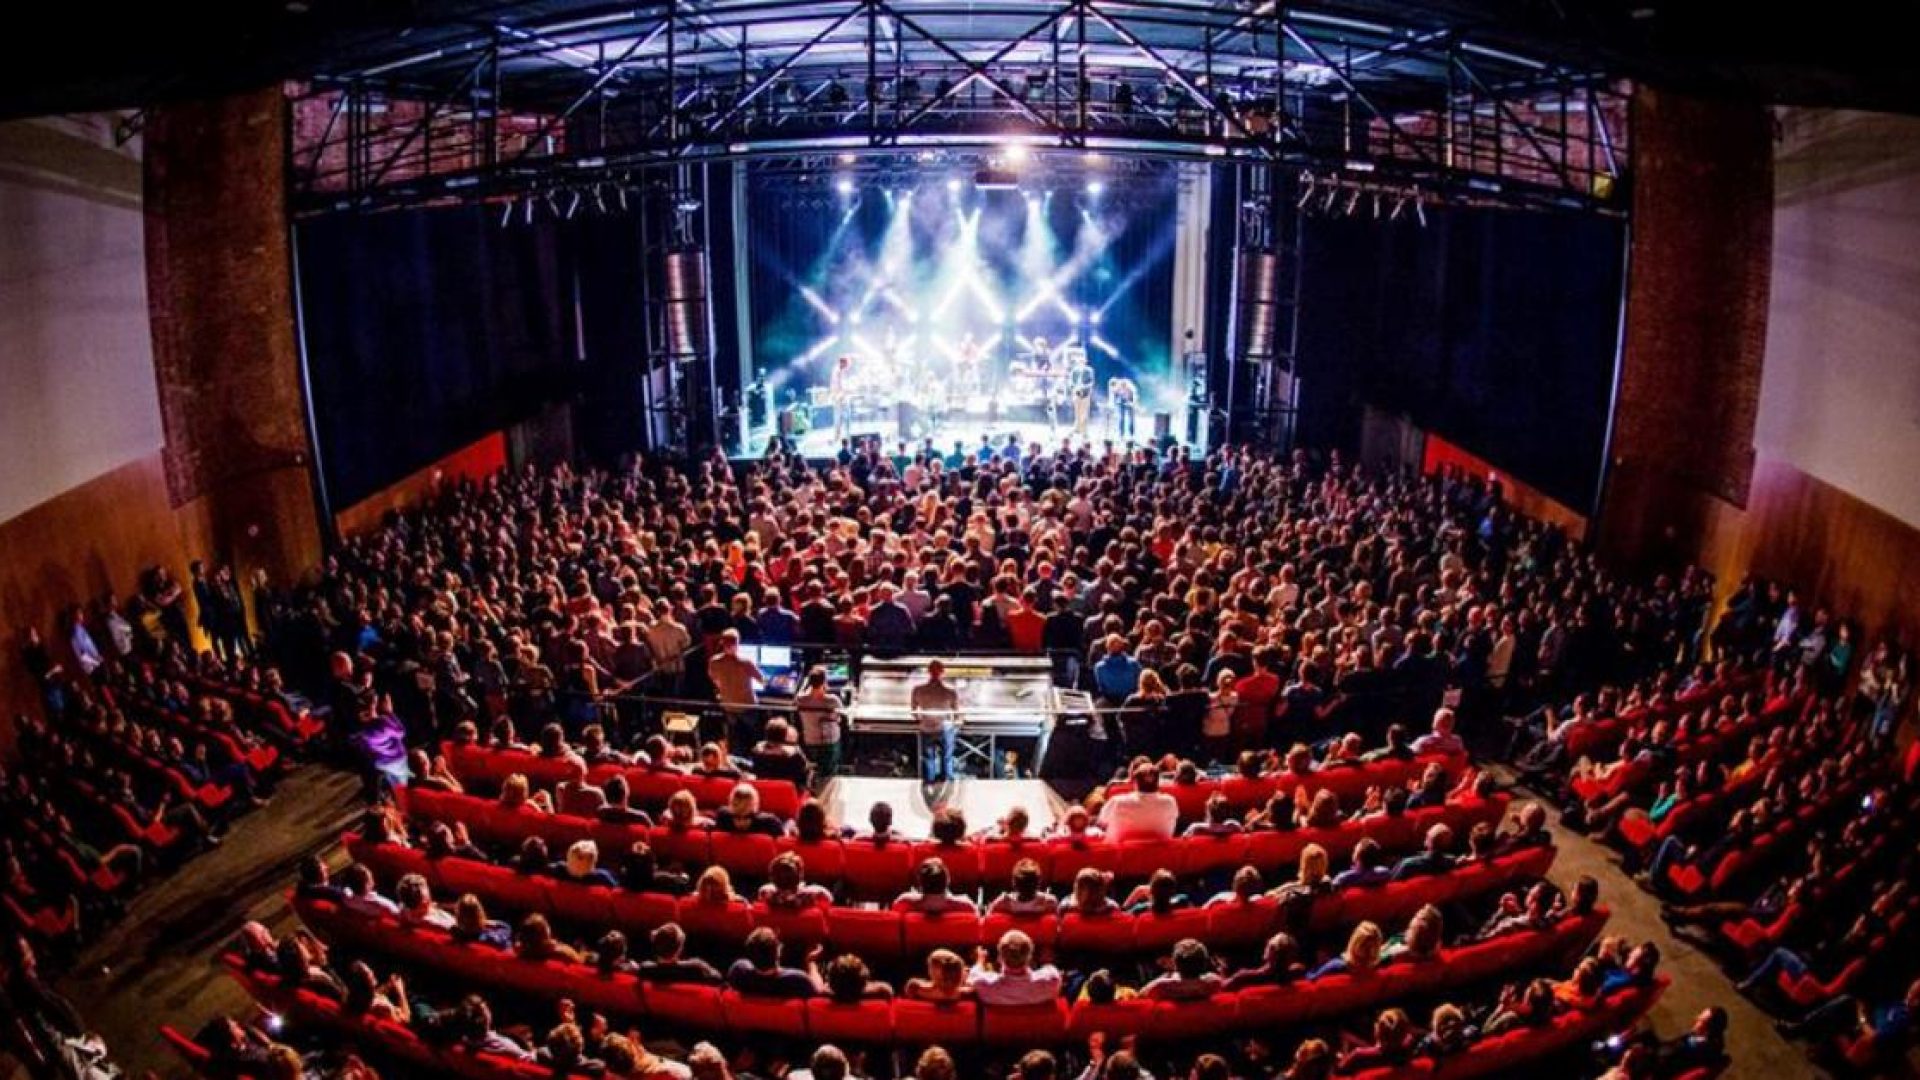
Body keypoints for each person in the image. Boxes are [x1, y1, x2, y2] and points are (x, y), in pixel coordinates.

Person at [968, 929, 1062, 1006]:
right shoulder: (1051, 981)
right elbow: (1050, 968)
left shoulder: (984, 984)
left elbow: (974, 975)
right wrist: (1046, 959)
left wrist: (980, 960)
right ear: (1030, 958)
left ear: (1000, 958)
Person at [708, 629, 765, 749]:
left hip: (729, 706)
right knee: (753, 735)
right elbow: (762, 680)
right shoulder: (745, 662)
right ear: (737, 643)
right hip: (747, 706)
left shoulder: (714, 662)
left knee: (734, 736)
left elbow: (715, 681)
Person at [725, 927, 822, 998]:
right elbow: (819, 992)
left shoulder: (738, 972)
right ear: (778, 952)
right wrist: (811, 962)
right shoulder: (798, 980)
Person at [1096, 761, 1178, 841]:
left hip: (1120, 849)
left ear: (1135, 783)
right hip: (1159, 850)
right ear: (1158, 783)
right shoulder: (1170, 802)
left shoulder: (1118, 802)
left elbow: (1101, 822)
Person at [911, 659, 961, 785]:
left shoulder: (918, 690)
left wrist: (921, 720)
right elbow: (957, 714)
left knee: (928, 757)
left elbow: (914, 712)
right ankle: (947, 780)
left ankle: (929, 781)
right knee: (947, 757)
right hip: (944, 728)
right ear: (942, 672)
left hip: (926, 728)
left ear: (928, 671)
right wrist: (958, 722)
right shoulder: (950, 692)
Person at [794, 667, 843, 780]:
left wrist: (807, 684)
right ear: (824, 682)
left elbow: (801, 693)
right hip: (829, 742)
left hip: (810, 740)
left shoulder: (801, 699)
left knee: (815, 768)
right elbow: (839, 718)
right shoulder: (832, 700)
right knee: (828, 773)